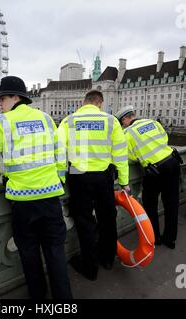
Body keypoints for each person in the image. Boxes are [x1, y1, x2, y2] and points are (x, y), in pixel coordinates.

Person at [0, 76, 72, 299]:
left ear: (16, 97)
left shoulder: (1, 122)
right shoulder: (46, 119)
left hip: (22, 201)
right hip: (51, 197)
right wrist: (58, 180)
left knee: (29, 254)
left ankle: (39, 298)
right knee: (56, 252)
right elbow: (61, 155)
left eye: (2, 98)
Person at [57, 90, 129, 281]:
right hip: (103, 176)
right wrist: (124, 181)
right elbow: (121, 154)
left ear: (84, 102)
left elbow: (59, 151)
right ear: (100, 103)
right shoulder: (111, 121)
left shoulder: (69, 121)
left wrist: (60, 177)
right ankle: (107, 259)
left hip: (78, 176)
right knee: (107, 217)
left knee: (84, 221)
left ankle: (90, 268)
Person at [115, 105, 181, 249]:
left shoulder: (128, 133)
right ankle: (170, 239)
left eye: (122, 122)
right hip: (172, 162)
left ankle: (155, 238)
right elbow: (164, 138)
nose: (122, 125)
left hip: (155, 171)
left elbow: (131, 156)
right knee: (171, 204)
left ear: (126, 119)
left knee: (150, 205)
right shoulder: (153, 122)